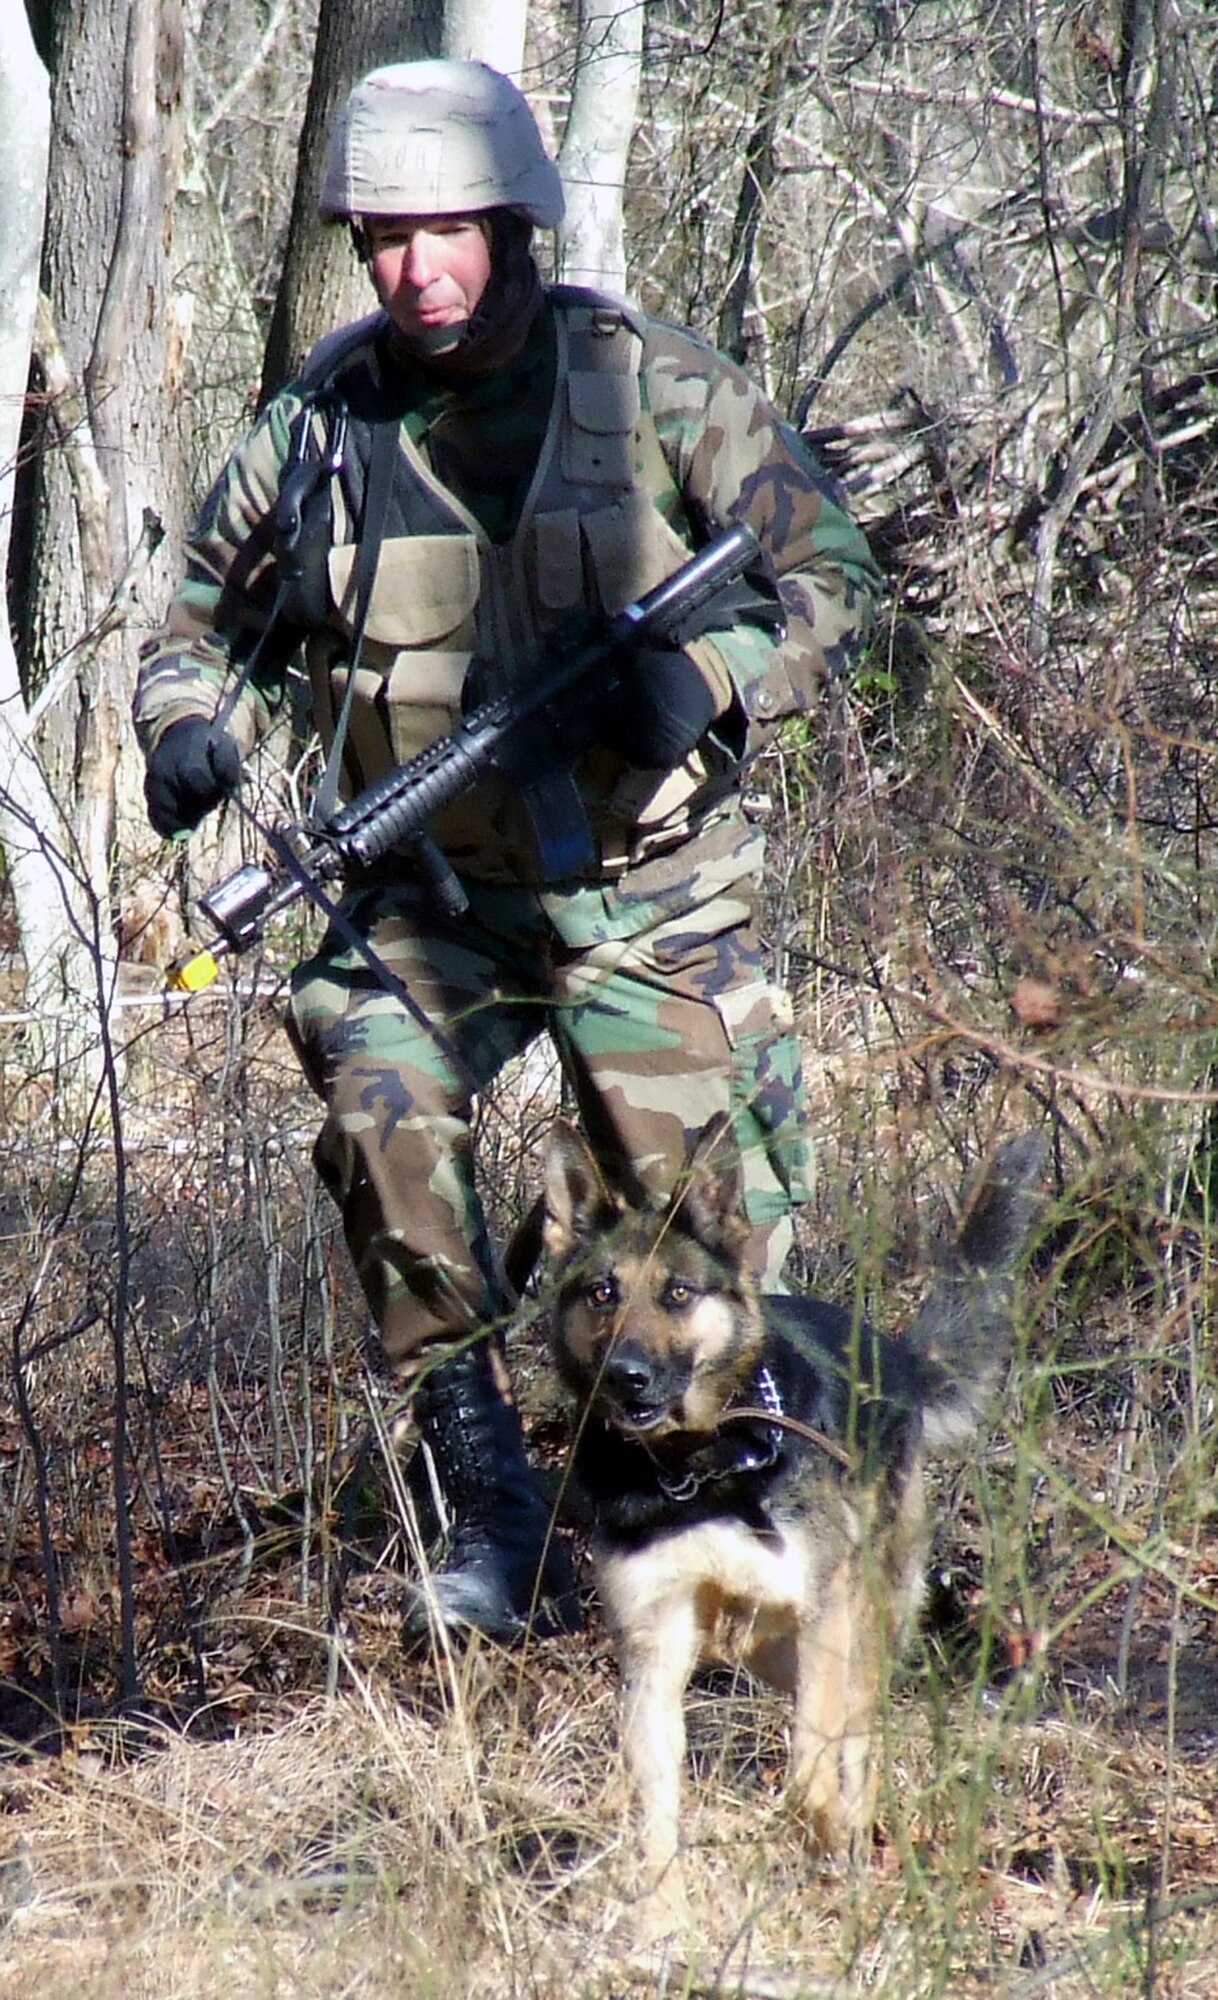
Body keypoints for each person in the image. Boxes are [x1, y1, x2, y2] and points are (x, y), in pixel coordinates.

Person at [134, 59, 880, 1645]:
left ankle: (745, 1514)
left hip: (651, 896)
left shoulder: (648, 386)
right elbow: (198, 623)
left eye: (449, 230)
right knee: (377, 1097)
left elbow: (830, 569)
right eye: (387, 238)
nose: (418, 268)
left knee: (708, 1228)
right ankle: (487, 1495)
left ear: (516, 221)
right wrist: (183, 724)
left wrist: (707, 678)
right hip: (435, 902)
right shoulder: (320, 430)